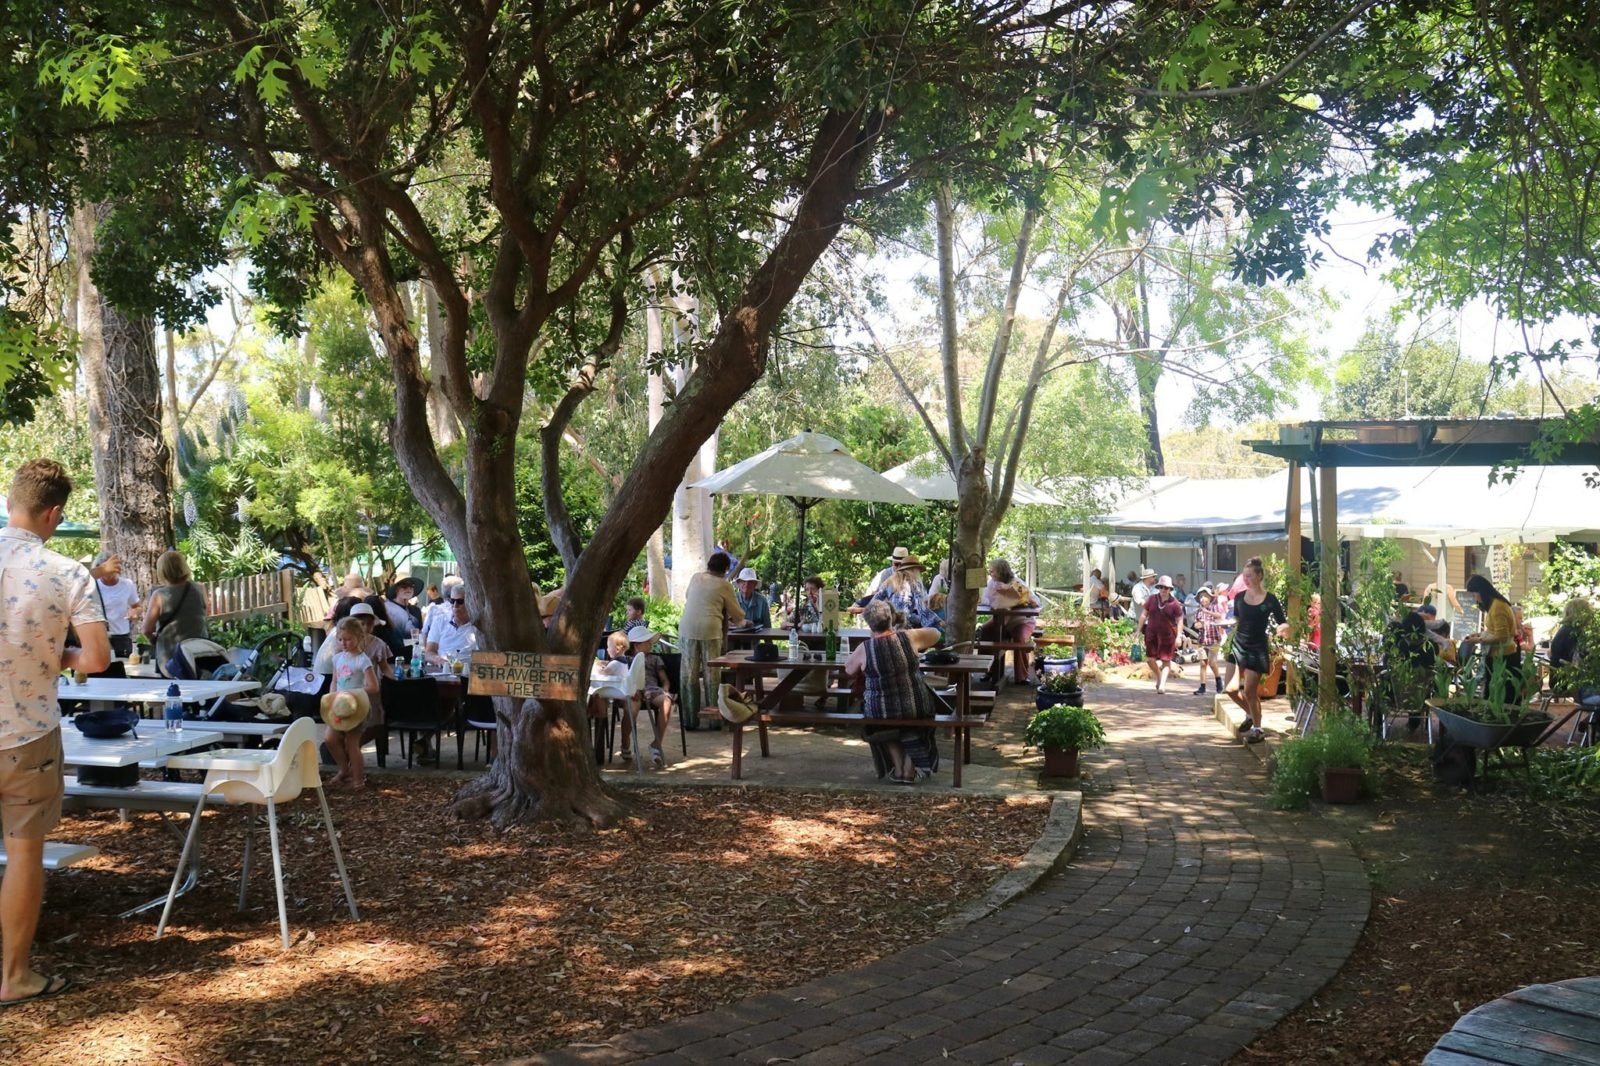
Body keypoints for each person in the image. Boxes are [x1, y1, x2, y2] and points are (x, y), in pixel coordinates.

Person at [0, 459, 110, 1007]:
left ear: (9, 500)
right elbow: (96, 657)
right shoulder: (67, 572)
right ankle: (14, 975)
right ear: (55, 513)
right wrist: (56, 653)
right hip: (26, 732)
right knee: (23, 853)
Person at [844, 600, 942, 783]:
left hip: (880, 711)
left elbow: (849, 669)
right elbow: (936, 633)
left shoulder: (865, 648)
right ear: (891, 618)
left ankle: (898, 770)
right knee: (917, 721)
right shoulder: (909, 637)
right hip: (916, 706)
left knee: (885, 725)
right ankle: (909, 768)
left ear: (869, 624)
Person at [679, 552, 744, 731]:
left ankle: (690, 720)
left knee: (688, 676)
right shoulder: (724, 585)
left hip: (687, 630)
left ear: (708, 565)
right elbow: (737, 615)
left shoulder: (695, 578)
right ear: (725, 569)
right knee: (712, 676)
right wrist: (744, 621)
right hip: (710, 631)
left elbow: (689, 597)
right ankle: (715, 720)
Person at [1224, 557, 1286, 743]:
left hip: (1257, 647)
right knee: (1231, 689)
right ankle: (1250, 714)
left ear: (1260, 576)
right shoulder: (1239, 597)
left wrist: (1283, 628)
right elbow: (1237, 619)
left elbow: (1282, 621)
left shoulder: (1270, 600)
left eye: (1249, 576)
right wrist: (1223, 623)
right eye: (1244, 576)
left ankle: (1258, 729)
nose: (1246, 579)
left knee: (1250, 691)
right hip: (1238, 645)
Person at [324, 617, 379, 789]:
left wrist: (353, 693)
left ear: (359, 637)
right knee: (330, 739)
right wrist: (332, 696)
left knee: (351, 743)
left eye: (348, 639)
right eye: (340, 639)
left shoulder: (363, 661)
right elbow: (335, 680)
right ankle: (343, 769)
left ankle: (358, 779)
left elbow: (373, 687)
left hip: (357, 707)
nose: (344, 643)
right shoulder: (337, 659)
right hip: (339, 706)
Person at [141, 549, 209, 675]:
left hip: (171, 658)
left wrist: (154, 639)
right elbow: (204, 613)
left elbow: (146, 629)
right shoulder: (199, 588)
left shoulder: (159, 596)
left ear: (162, 571)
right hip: (199, 653)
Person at [977, 558, 1037, 686]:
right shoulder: (992, 583)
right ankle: (988, 670)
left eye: (993, 571)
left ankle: (1021, 676)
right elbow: (985, 600)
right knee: (985, 631)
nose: (990, 573)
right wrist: (998, 603)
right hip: (1001, 620)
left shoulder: (1016, 583)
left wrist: (1026, 603)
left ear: (1001, 572)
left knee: (1019, 637)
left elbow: (1034, 600)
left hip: (1021, 621)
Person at [1462, 574, 1522, 702]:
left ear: (1481, 592)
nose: (1475, 599)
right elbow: (1493, 630)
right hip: (1498, 655)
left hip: (1503, 657)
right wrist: (1479, 634)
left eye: (1474, 595)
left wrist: (1478, 640)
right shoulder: (1495, 605)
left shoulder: (1498, 607)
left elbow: (1502, 635)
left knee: (1501, 694)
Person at [623, 626, 675, 769]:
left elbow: (664, 680)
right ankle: (625, 742)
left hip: (651, 689)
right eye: (646, 642)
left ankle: (656, 745)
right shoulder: (626, 659)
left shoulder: (655, 659)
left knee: (666, 702)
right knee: (632, 707)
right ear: (637, 645)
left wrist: (665, 691)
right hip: (633, 689)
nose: (650, 644)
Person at [857, 555, 940, 630]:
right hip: (904, 626)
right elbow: (922, 610)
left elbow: (873, 603)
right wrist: (939, 622)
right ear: (914, 570)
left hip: (889, 624)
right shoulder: (915, 584)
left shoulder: (889, 581)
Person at [90, 551, 141, 658]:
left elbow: (137, 606)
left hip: (122, 636)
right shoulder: (92, 585)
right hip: (100, 636)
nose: (108, 574)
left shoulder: (127, 584)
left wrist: (135, 611)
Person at [1142, 575, 1185, 695]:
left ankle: (1162, 684)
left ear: (1170, 589)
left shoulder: (1174, 603)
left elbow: (1180, 619)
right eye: (1161, 587)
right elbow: (1144, 614)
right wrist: (1138, 629)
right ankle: (1159, 676)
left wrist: (1179, 636)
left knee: (1166, 660)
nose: (1163, 590)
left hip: (1167, 636)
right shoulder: (1152, 599)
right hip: (1151, 634)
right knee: (1150, 660)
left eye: (1166, 588)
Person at [426, 586, 480, 666]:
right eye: (452, 601)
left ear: (470, 602)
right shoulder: (440, 620)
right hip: (444, 671)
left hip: (468, 672)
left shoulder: (478, 625)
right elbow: (429, 652)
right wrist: (438, 660)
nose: (455, 605)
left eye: (460, 601)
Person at [1192, 586, 1228, 695]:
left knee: (1212, 663)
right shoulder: (1199, 611)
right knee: (1203, 663)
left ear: (1210, 598)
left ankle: (1218, 682)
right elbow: (1196, 623)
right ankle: (1202, 687)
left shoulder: (1214, 607)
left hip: (1214, 640)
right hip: (1202, 641)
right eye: (1201, 597)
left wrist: (1207, 612)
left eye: (1205, 596)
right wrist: (1198, 625)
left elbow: (1219, 616)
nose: (1203, 599)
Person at [1549, 597, 1590, 673]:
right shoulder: (1574, 632)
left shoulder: (1565, 629)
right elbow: (1579, 661)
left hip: (1557, 676)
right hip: (1568, 679)